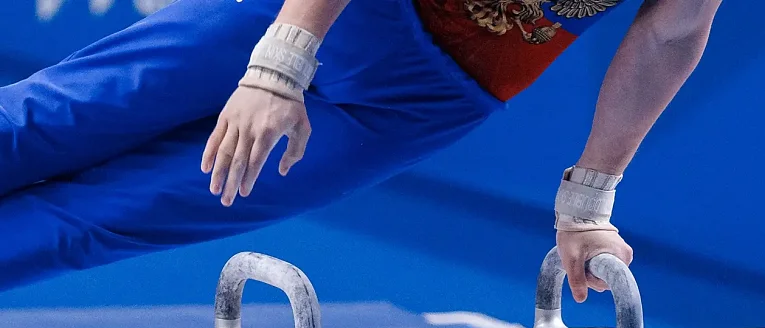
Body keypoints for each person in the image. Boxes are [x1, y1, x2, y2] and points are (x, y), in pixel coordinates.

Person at [0, 0, 722, 301]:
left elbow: (672, 32)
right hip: (323, 11)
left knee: (107, 219)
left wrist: (588, 200)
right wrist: (279, 64)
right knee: (46, 120)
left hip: (425, 99)